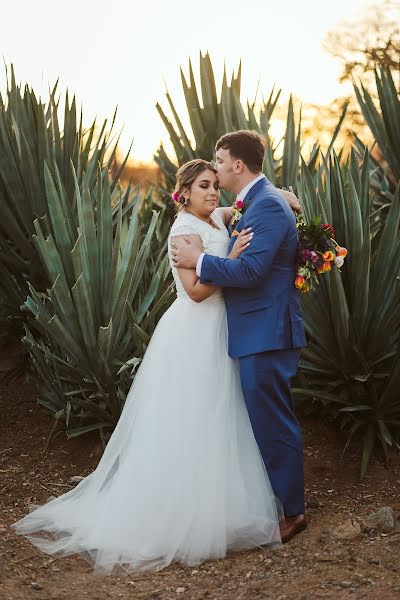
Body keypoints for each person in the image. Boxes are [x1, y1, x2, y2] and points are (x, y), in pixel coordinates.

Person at [13, 159, 294, 574]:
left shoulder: (216, 216)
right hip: (194, 332)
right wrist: (231, 259)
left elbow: (254, 203)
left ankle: (221, 507)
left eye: (216, 185)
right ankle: (179, 514)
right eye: (204, 186)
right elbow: (196, 292)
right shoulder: (183, 231)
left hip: (223, 332)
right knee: (191, 419)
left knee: (221, 416)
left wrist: (287, 198)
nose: (214, 193)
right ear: (184, 192)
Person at [171, 131, 307, 543]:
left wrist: (202, 260)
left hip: (265, 332)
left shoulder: (264, 206)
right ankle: (283, 501)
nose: (215, 165)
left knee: (273, 421)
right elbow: (231, 218)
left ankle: (294, 512)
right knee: (263, 420)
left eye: (220, 159)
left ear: (238, 166)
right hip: (253, 330)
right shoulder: (258, 202)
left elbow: (250, 272)